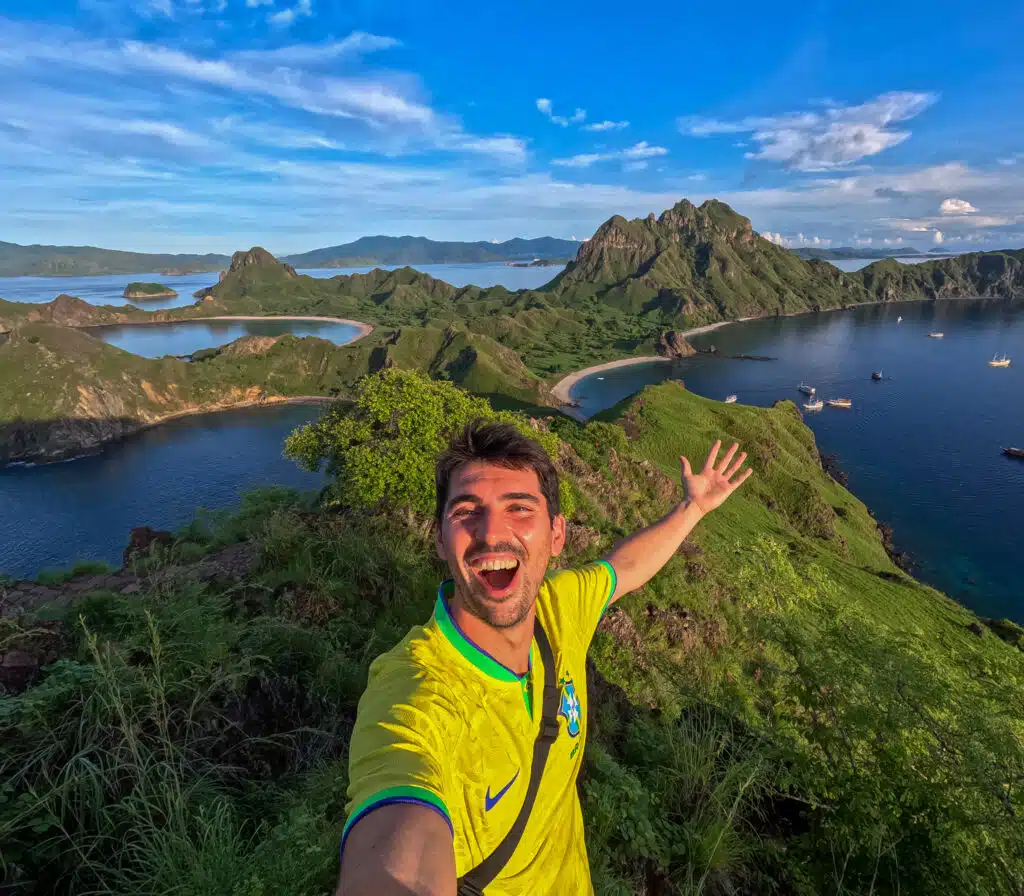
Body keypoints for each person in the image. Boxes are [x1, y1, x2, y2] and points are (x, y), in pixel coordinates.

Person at [337, 422, 752, 896]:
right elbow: (396, 839)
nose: (492, 532)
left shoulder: (558, 609)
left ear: (557, 534)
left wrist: (693, 507)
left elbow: (623, 570)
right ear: (437, 539)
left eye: (519, 508)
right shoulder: (415, 689)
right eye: (467, 510)